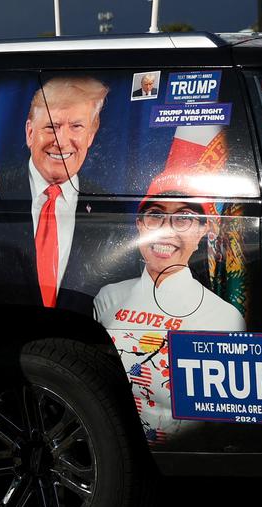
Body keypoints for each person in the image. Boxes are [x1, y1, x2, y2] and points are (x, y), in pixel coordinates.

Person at [92, 185, 244, 447]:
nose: (166, 230)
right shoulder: (108, 298)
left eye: (184, 218)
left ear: (202, 230)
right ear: (140, 224)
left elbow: (224, 424)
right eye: (154, 215)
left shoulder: (224, 318)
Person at [23, 75, 109, 308]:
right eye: (52, 126)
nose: (61, 141)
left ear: (90, 135)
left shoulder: (108, 208)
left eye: (76, 127)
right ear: (30, 133)